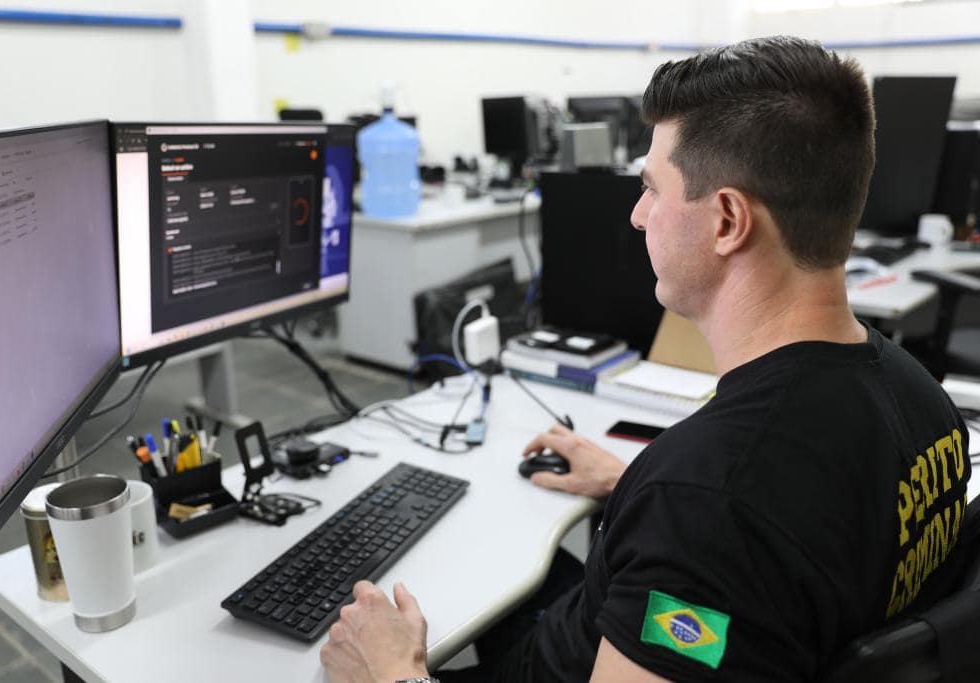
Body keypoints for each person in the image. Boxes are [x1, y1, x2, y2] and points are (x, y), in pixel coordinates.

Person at [320, 35, 973, 682]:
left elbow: (733, 521)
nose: (637, 215)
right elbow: (800, 531)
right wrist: (637, 485)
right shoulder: (921, 397)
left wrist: (393, 673)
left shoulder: (708, 508)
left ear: (727, 221)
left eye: (653, 189)